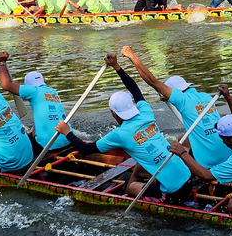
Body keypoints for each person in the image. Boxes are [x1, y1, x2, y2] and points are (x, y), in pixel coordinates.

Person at [54, 53, 194, 203]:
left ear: (113, 113)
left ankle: (139, 196)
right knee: (140, 167)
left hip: (174, 193)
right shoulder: (146, 113)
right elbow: (135, 90)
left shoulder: (120, 134)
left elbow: (85, 150)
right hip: (188, 177)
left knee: (131, 186)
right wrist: (117, 67)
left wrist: (66, 132)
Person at [119, 46, 232, 168]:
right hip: (227, 153)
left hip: (208, 163)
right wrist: (168, 98)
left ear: (175, 92)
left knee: (174, 147)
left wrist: (132, 56)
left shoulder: (182, 99)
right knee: (181, 138)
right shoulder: (206, 96)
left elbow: (152, 81)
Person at [0, 51, 65, 153]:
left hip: (46, 145)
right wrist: (17, 87)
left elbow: (5, 85)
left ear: (28, 86)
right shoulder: (52, 91)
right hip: (66, 139)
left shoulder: (33, 91)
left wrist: (2, 63)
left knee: (11, 145)